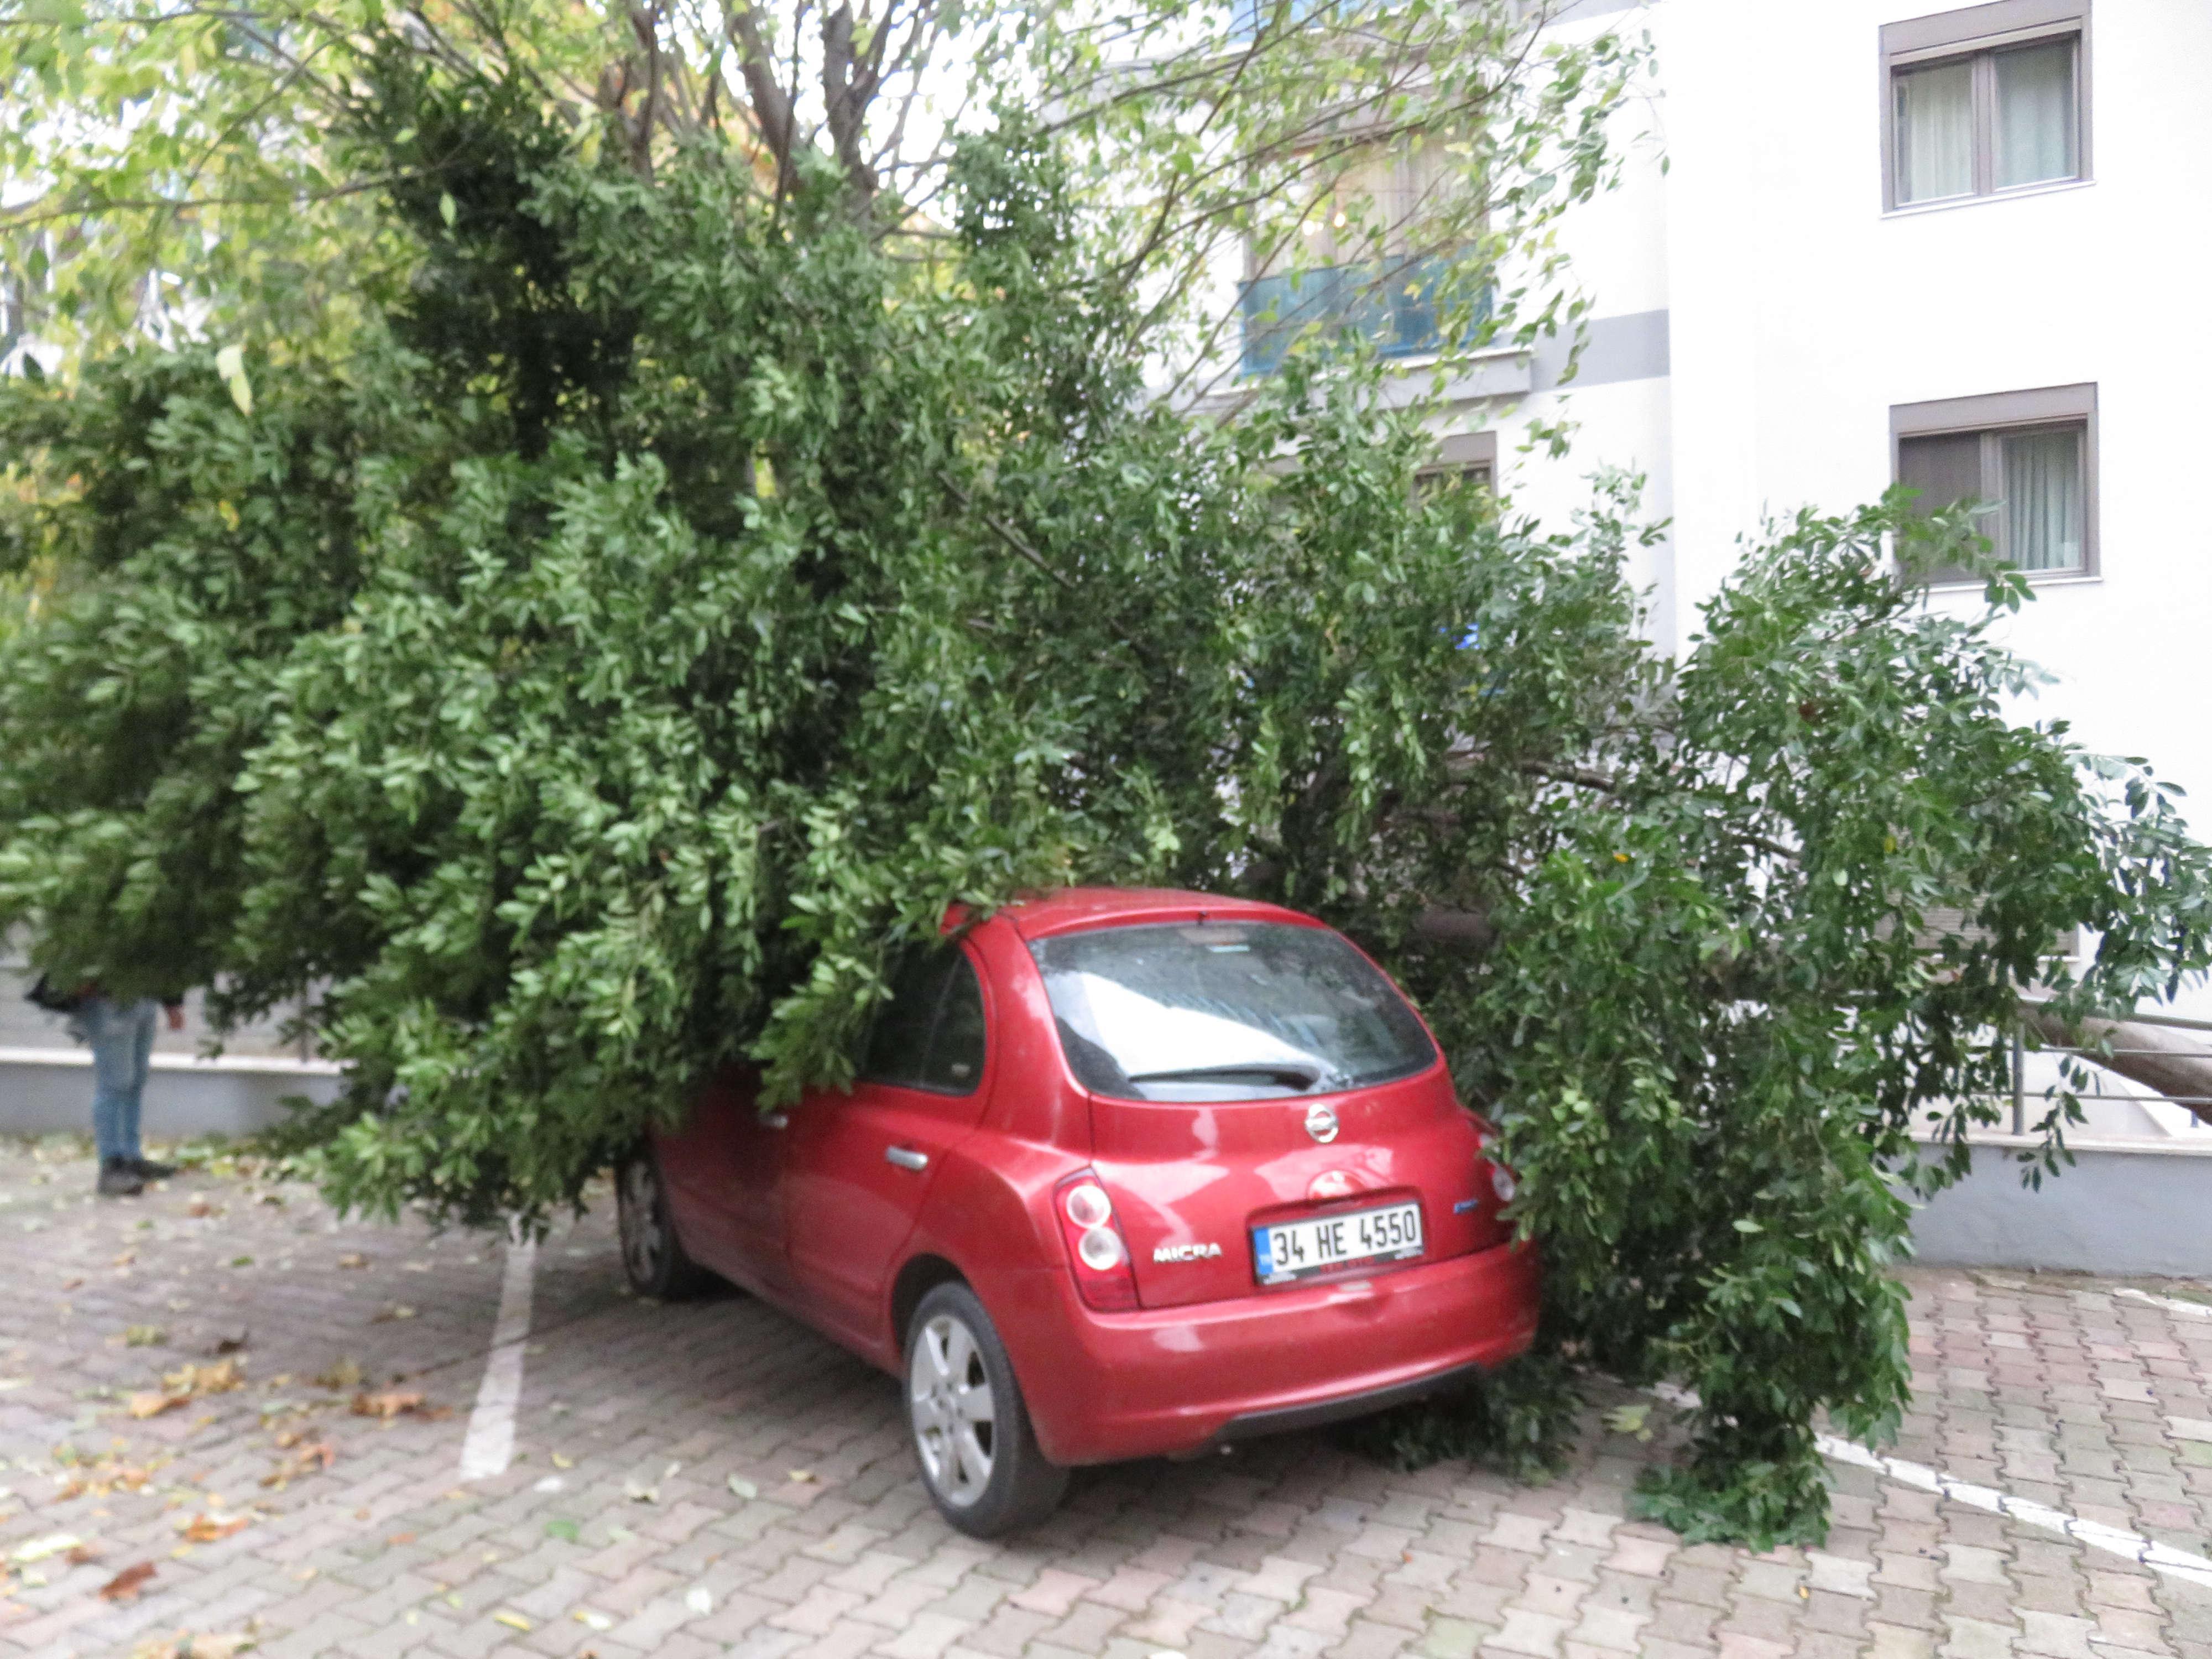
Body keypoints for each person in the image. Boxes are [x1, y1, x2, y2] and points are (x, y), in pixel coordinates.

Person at [69, 993, 186, 1197]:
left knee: (134, 1082)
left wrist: (171, 1003)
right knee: (114, 1084)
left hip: (145, 997)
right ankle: (112, 1166)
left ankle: (131, 1159)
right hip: (110, 999)